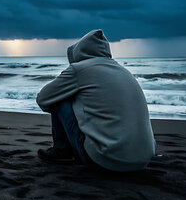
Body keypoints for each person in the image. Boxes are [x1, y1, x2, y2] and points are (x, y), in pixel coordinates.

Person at [36, 29, 156, 172]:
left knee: (58, 99)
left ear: (80, 51)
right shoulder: (123, 71)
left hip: (104, 159)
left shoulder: (79, 69)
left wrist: (76, 106)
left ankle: (61, 152)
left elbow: (43, 98)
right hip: (142, 160)